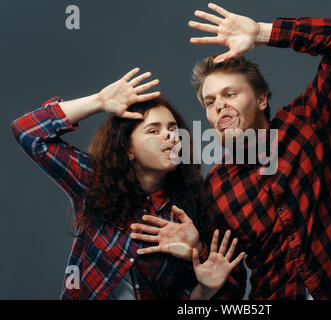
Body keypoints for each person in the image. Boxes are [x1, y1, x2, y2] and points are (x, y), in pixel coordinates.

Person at [185, 3, 331, 299]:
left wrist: (261, 32)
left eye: (230, 94)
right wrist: (206, 287)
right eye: (210, 101)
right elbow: (229, 280)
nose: (219, 106)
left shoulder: (306, 123)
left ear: (262, 99)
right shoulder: (213, 191)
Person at [11, 68, 245, 300]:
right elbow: (29, 132)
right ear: (128, 149)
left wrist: (199, 258)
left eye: (173, 129)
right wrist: (99, 101)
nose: (170, 137)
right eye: (154, 130)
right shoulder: (93, 182)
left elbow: (226, 288)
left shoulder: (188, 212)